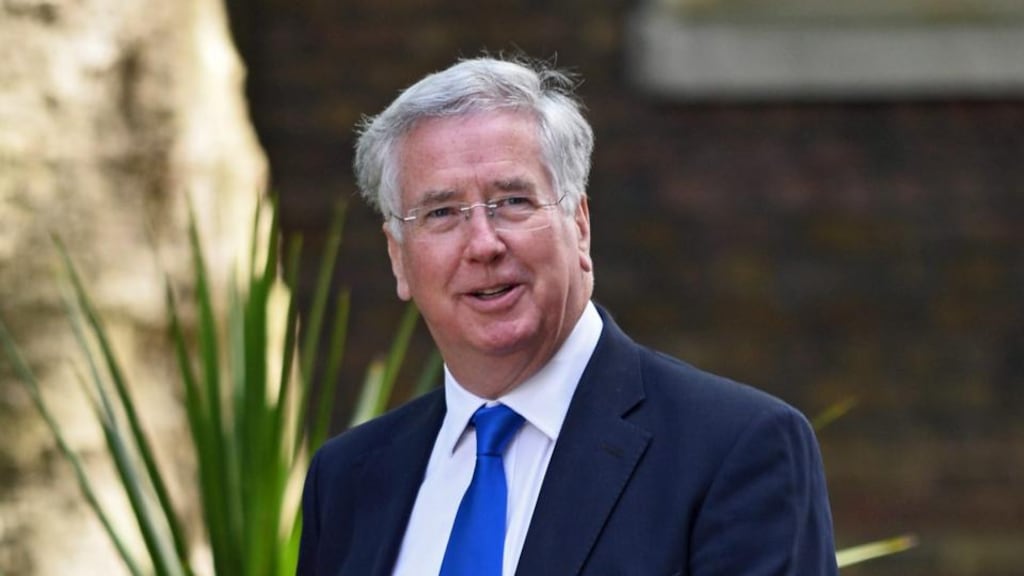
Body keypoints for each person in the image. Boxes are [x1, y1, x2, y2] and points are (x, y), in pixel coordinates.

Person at [297, 56, 839, 576]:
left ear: (579, 224)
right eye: (441, 213)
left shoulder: (735, 449)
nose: (483, 244)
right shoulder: (348, 480)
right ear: (398, 256)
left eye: (512, 201)